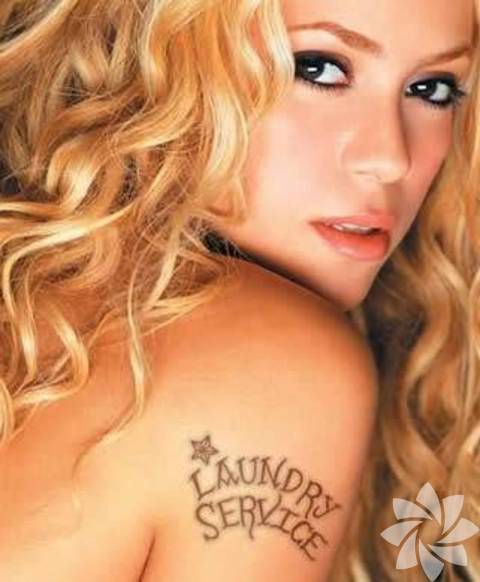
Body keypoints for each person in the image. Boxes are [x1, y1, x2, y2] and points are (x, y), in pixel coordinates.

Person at [0, 0, 478, 581]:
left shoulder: (44, 330)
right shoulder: (275, 372)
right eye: (318, 68)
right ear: (150, 58)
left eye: (432, 89)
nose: (389, 159)